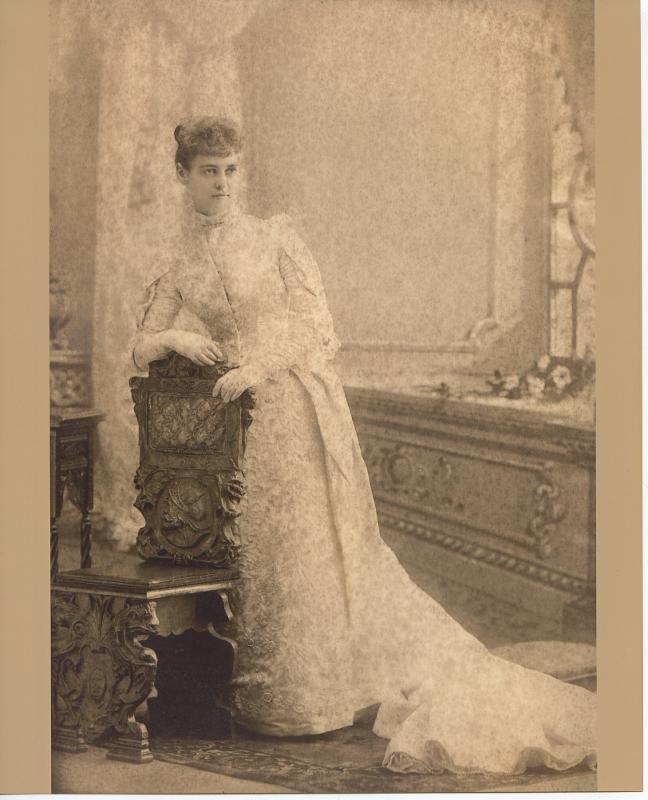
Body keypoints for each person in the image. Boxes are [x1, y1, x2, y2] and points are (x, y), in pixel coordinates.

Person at [131, 116, 596, 775]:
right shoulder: (179, 262)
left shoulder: (274, 237)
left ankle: (313, 700)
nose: (223, 183)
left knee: (301, 547)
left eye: (231, 170)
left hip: (290, 404)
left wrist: (258, 366)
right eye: (209, 171)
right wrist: (177, 339)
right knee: (256, 550)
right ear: (184, 175)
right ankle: (268, 698)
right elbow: (141, 345)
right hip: (231, 428)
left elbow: (317, 326)